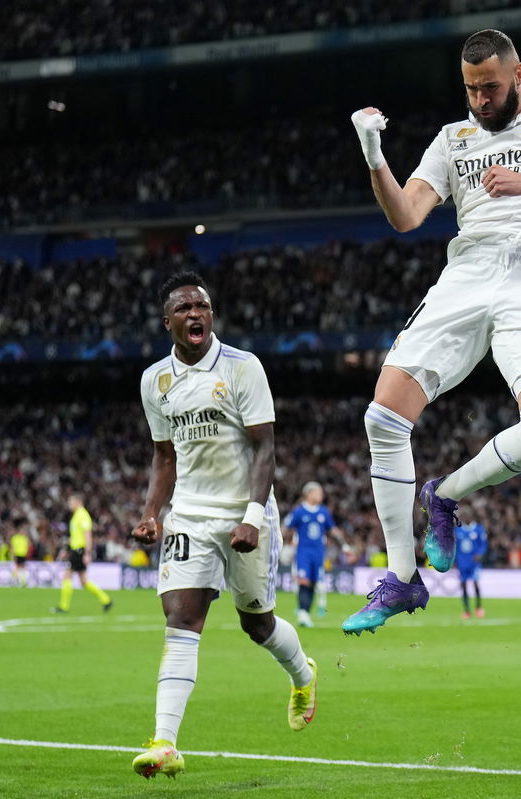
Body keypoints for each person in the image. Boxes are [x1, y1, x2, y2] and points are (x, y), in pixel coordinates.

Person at [344, 28, 521, 635]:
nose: (480, 100)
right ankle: (403, 578)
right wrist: (373, 154)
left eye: (490, 87)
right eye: (471, 90)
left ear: (519, 75)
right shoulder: (453, 138)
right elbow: (407, 215)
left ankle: (444, 494)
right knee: (382, 418)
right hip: (465, 275)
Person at [130, 271, 318, 779]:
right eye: (185, 308)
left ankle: (303, 674)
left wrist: (253, 517)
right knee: (182, 622)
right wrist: (152, 512)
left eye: (203, 306)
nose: (196, 314)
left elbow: (266, 447)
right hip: (189, 513)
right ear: (167, 321)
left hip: (244, 513)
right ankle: (165, 742)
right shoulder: (155, 381)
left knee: (256, 624)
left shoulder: (242, 367)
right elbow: (163, 456)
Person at [283, 481, 350, 627]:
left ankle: (305, 612)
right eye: (318, 492)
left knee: (314, 582)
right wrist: (276, 543)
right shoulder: (299, 512)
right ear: (308, 494)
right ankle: (302, 613)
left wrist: (344, 546)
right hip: (303, 552)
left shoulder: (323, 512)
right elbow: (285, 528)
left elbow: (333, 531)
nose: (321, 495)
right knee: (303, 581)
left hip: (318, 553)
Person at [52, 494, 113, 613]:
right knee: (84, 581)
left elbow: (88, 535)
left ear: (77, 501)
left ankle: (64, 607)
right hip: (76, 550)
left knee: (67, 576)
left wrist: (88, 553)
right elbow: (75, 536)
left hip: (80, 551)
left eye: (70, 502)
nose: (69, 504)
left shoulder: (83, 515)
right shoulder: (76, 516)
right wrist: (67, 549)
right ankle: (106, 600)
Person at [454, 519, 487, 619]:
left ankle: (479, 607)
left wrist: (480, 554)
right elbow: (454, 546)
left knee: (475, 583)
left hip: (474, 562)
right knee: (463, 585)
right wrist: (455, 560)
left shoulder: (478, 529)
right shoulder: (457, 529)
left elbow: (483, 544)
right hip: (462, 562)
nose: (465, 516)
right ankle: (467, 611)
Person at [10, 518, 32, 588]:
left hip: (23, 555)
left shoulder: (25, 538)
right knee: (17, 567)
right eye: (22, 530)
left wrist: (27, 553)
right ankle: (14, 580)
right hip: (17, 554)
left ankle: (22, 582)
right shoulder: (15, 538)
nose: (23, 531)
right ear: (19, 531)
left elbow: (28, 546)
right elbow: (12, 547)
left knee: (22, 568)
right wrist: (12, 555)